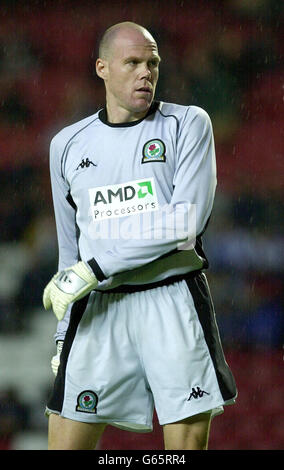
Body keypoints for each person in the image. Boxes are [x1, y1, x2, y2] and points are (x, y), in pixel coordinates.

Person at [43, 21, 237, 450]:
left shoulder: (188, 124)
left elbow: (184, 222)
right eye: (132, 62)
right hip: (98, 307)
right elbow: (69, 250)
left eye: (152, 63)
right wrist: (62, 334)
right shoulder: (67, 144)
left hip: (171, 299)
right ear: (102, 68)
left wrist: (95, 267)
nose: (145, 72)